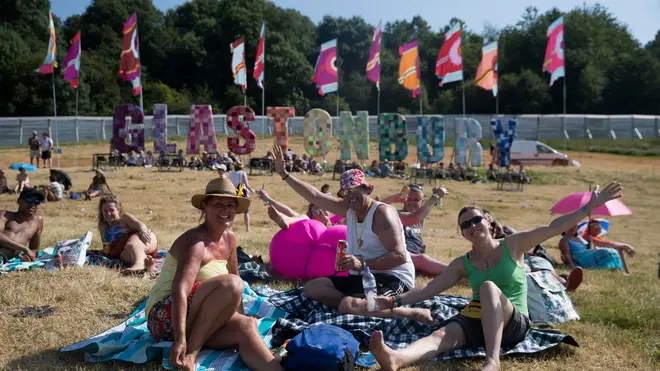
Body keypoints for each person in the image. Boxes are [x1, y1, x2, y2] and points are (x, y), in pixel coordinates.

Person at [369, 182, 623, 371]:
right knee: (440, 336)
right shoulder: (463, 263)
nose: (472, 226)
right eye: (465, 225)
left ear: (488, 222)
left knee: (489, 287)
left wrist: (590, 207)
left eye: (476, 220)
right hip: (475, 317)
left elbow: (553, 228)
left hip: (515, 321)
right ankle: (396, 359)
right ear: (463, 234)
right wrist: (393, 301)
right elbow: (428, 290)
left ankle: (493, 361)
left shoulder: (513, 245)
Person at [271, 146, 431, 322]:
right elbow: (315, 196)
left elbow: (399, 256)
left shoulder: (382, 214)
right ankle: (357, 305)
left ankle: (410, 313)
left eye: (354, 190)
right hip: (364, 275)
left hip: (392, 277)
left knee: (349, 306)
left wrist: (361, 263)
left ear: (367, 190)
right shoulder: (350, 209)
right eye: (345, 192)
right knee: (312, 288)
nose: (350, 196)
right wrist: (284, 174)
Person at [145, 178, 283, 371]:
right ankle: (191, 352)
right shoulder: (195, 242)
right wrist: (180, 340)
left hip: (199, 314)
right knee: (232, 284)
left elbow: (235, 277)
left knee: (247, 325)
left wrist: (238, 316)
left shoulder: (230, 238)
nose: (225, 210)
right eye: (218, 204)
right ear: (205, 206)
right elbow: (179, 290)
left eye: (229, 205)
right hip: (166, 318)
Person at [381, 184, 450, 276]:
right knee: (423, 260)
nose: (412, 202)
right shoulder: (396, 214)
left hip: (415, 255)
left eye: (416, 200)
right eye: (409, 199)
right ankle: (458, 272)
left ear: (422, 202)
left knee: (427, 267)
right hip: (402, 255)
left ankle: (460, 273)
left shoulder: (420, 219)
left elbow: (425, 210)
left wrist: (435, 200)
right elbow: (378, 209)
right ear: (404, 200)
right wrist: (435, 197)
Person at [98, 194, 159, 274]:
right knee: (124, 256)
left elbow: (140, 225)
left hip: (145, 240)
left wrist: (142, 230)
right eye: (105, 211)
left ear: (118, 209)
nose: (108, 213)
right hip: (130, 251)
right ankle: (149, 266)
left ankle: (139, 265)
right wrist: (107, 252)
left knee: (131, 244)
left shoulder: (124, 218)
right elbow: (106, 245)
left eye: (111, 210)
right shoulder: (103, 226)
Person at [559, 223, 629, 274]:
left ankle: (614, 270)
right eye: (571, 227)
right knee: (607, 252)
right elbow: (566, 255)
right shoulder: (564, 241)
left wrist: (590, 242)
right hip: (583, 258)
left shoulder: (578, 238)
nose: (573, 229)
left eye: (575, 227)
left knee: (613, 251)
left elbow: (588, 247)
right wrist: (572, 266)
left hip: (588, 253)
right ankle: (606, 270)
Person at [0, 188, 44, 263]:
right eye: (29, 200)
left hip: (13, 259)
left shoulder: (38, 221)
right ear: (19, 201)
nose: (32, 204)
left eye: (36, 202)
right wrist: (24, 248)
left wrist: (27, 256)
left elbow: (34, 249)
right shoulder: (4, 215)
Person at [255, 189, 335, 230]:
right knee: (303, 217)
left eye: (323, 211)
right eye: (317, 212)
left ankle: (287, 219)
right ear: (311, 215)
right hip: (309, 240)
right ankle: (285, 220)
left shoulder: (335, 223)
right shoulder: (307, 221)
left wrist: (327, 222)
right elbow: (286, 210)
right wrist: (267, 199)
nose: (321, 213)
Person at [228, 163, 254, 232]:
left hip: (233, 191)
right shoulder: (242, 173)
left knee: (233, 210)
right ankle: (248, 228)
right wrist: (252, 189)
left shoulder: (231, 173)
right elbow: (246, 184)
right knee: (246, 211)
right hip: (241, 190)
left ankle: (230, 227)